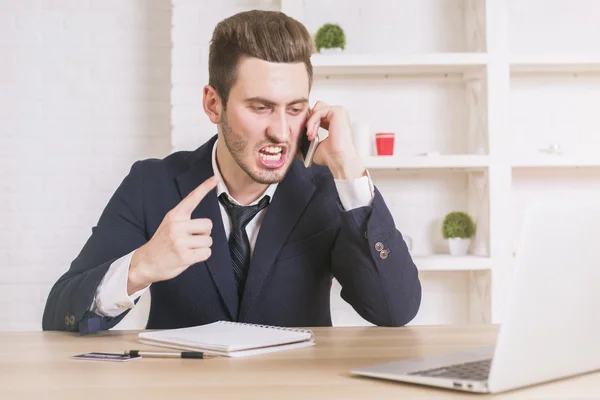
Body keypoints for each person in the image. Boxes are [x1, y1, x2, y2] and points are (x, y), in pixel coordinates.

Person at [42, 10, 422, 334]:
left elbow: (395, 310)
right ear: (213, 104)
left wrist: (349, 169)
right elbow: (59, 313)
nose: (280, 131)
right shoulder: (151, 184)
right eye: (260, 107)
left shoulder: (327, 190)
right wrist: (140, 266)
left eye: (294, 109)